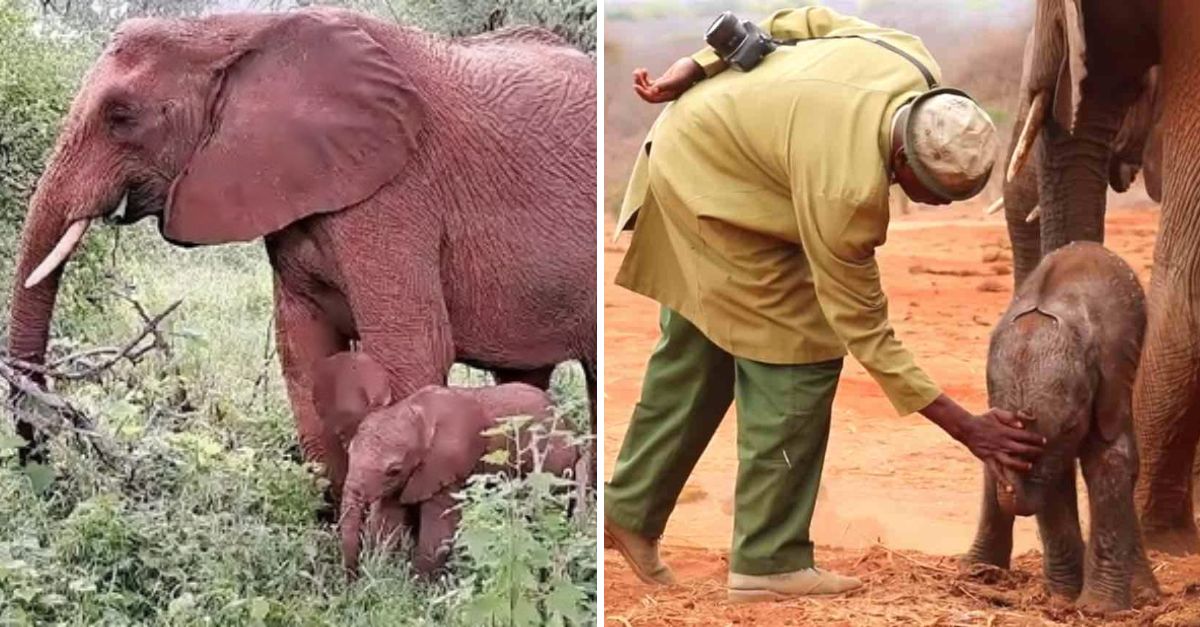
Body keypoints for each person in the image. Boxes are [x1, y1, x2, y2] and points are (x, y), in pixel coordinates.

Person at [604, 6, 1045, 603]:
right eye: (935, 195)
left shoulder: (906, 57)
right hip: (712, 193)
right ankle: (770, 559)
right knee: (801, 352)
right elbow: (865, 329)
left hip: (697, 144)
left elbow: (795, 16)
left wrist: (697, 63)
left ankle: (629, 509)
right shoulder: (848, 195)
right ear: (903, 161)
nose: (938, 208)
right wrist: (968, 428)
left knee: (703, 341)